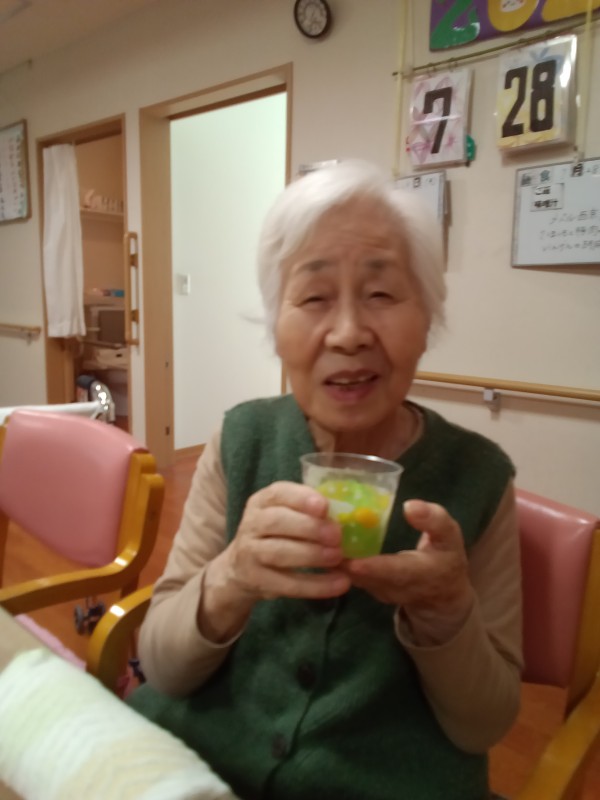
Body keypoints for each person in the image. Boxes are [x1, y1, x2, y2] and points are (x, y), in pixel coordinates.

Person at [129, 159, 522, 800]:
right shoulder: (241, 440)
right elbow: (164, 668)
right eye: (313, 298)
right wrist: (231, 576)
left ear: (427, 321)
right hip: (194, 765)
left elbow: (485, 725)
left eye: (381, 295)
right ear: (276, 327)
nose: (347, 333)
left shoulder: (478, 477)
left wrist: (446, 610)